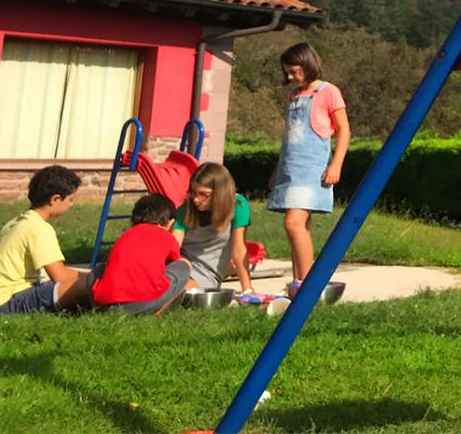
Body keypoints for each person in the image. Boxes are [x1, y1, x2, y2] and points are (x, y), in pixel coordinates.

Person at [270, 42, 350, 296]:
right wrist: (277, 169)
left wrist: (336, 164)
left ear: (308, 64)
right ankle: (297, 284)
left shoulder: (328, 91)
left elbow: (344, 130)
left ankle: (308, 286)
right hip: (289, 169)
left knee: (293, 223)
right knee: (299, 228)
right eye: (287, 73)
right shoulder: (294, 95)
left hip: (312, 170)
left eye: (294, 71)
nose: (290, 77)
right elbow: (288, 138)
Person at [0, 165, 91, 314]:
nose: (72, 204)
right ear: (55, 199)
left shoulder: (18, 222)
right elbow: (60, 276)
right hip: (4, 303)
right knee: (85, 284)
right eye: (70, 199)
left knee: (81, 284)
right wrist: (93, 277)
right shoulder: (38, 228)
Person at [91, 193, 189, 315]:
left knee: (100, 269)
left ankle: (95, 307)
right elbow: (174, 261)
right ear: (170, 223)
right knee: (184, 266)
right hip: (142, 303)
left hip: (105, 305)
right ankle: (158, 312)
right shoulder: (167, 238)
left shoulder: (125, 236)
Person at [173, 162, 253, 294]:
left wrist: (247, 290)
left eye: (203, 194)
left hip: (207, 272)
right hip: (181, 263)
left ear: (220, 192)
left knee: (181, 290)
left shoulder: (238, 206)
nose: (196, 200)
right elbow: (174, 246)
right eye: (193, 193)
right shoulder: (186, 209)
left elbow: (239, 249)